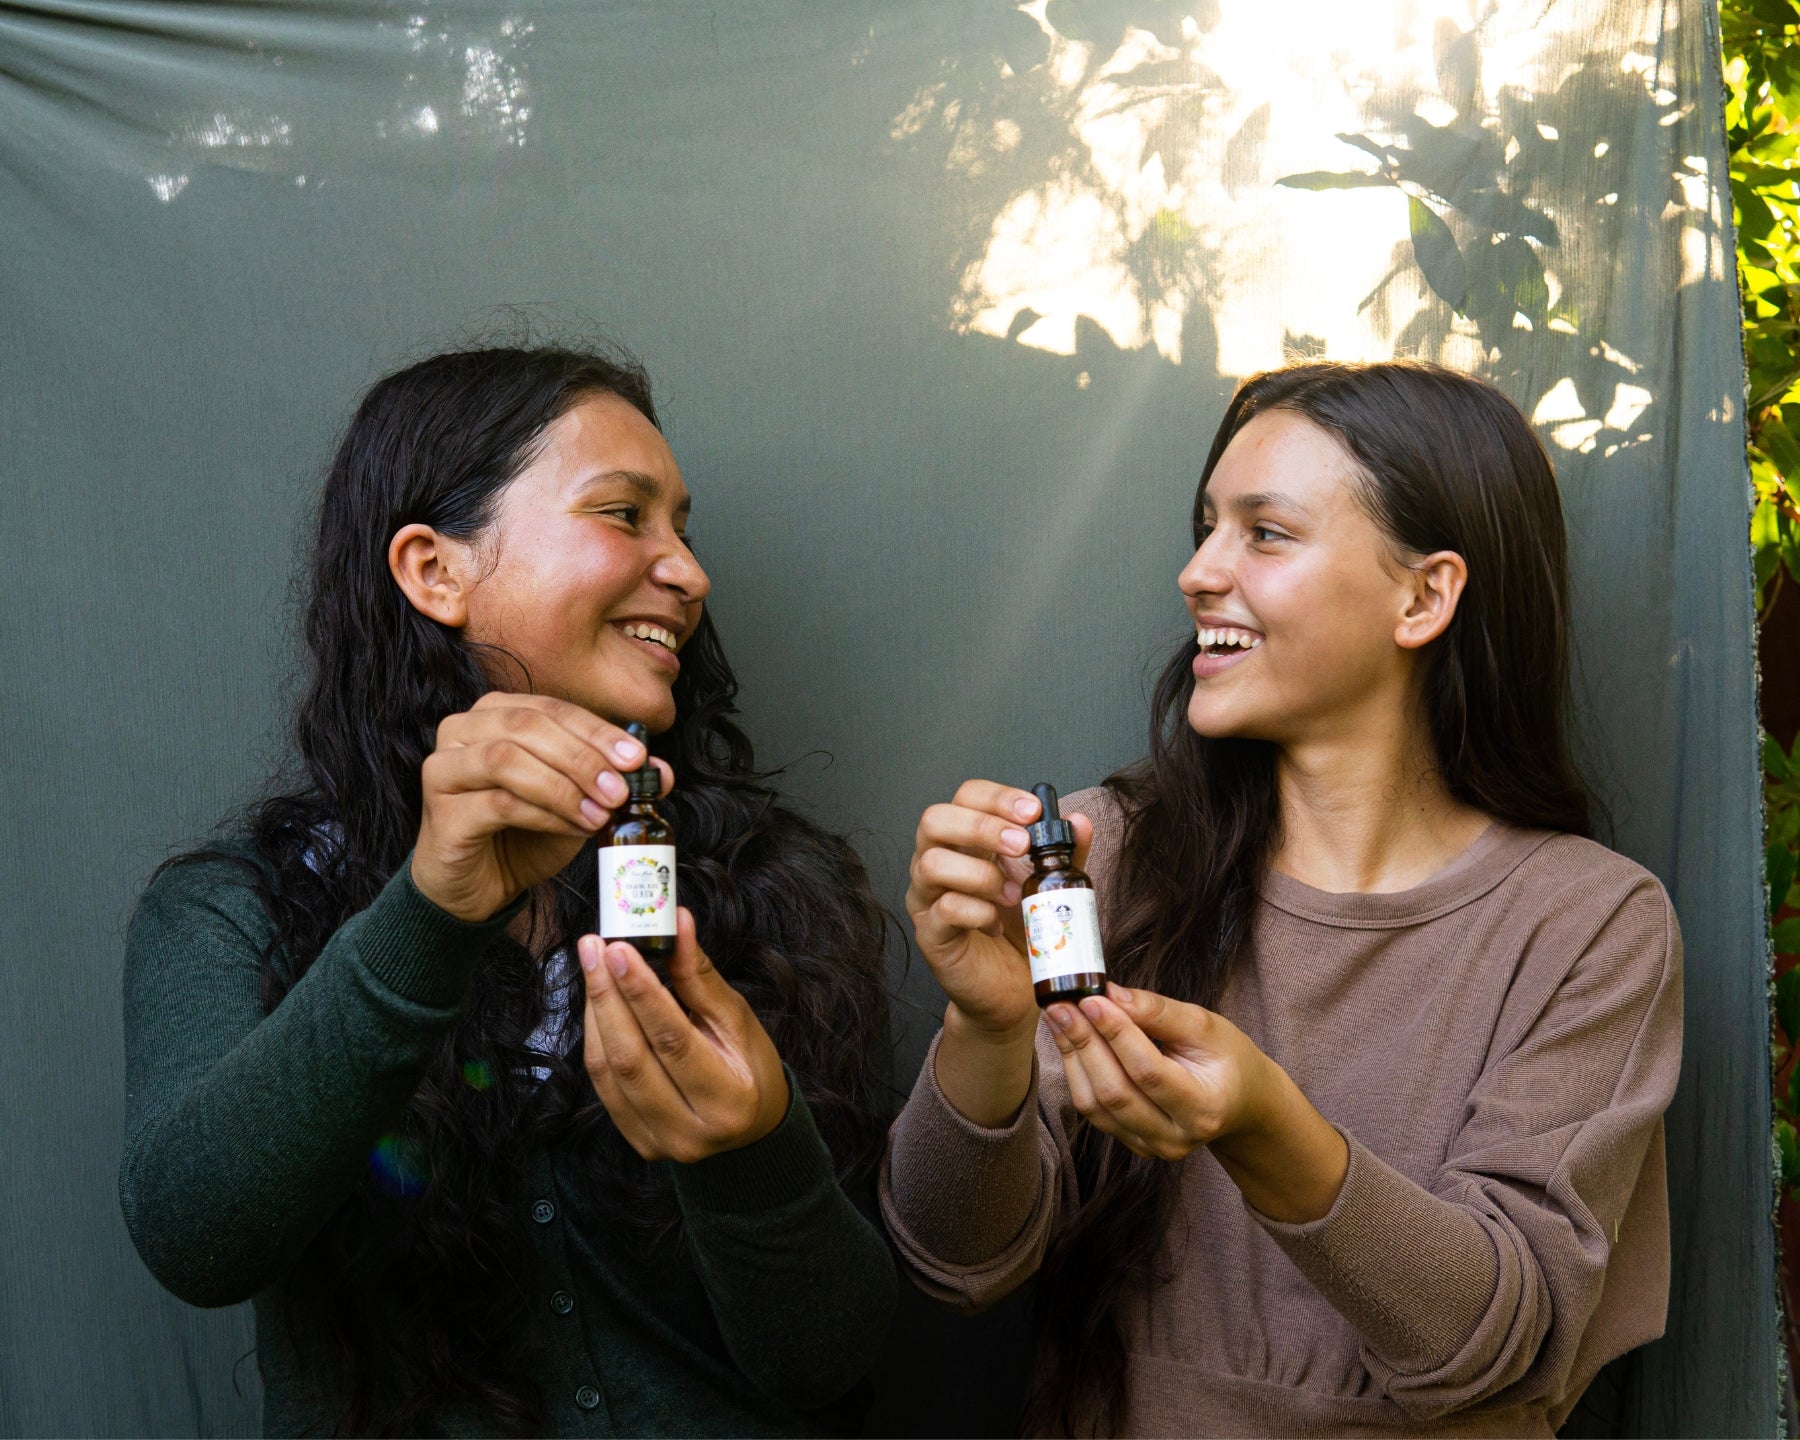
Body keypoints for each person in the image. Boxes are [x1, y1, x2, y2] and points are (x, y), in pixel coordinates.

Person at [882, 361, 1682, 1437]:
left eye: (1264, 533)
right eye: (1206, 525)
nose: (1198, 571)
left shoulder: (1590, 925)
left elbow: (1497, 1346)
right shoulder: (1094, 858)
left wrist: (1267, 1127)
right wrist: (985, 1025)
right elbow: (953, 1259)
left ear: (1424, 595)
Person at [119, 344, 897, 1437]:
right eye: (625, 515)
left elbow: (832, 1361)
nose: (688, 572)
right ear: (436, 571)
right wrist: (427, 916)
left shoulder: (768, 898)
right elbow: (196, 1236)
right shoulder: (233, 911)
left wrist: (754, 1153)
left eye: (683, 527)